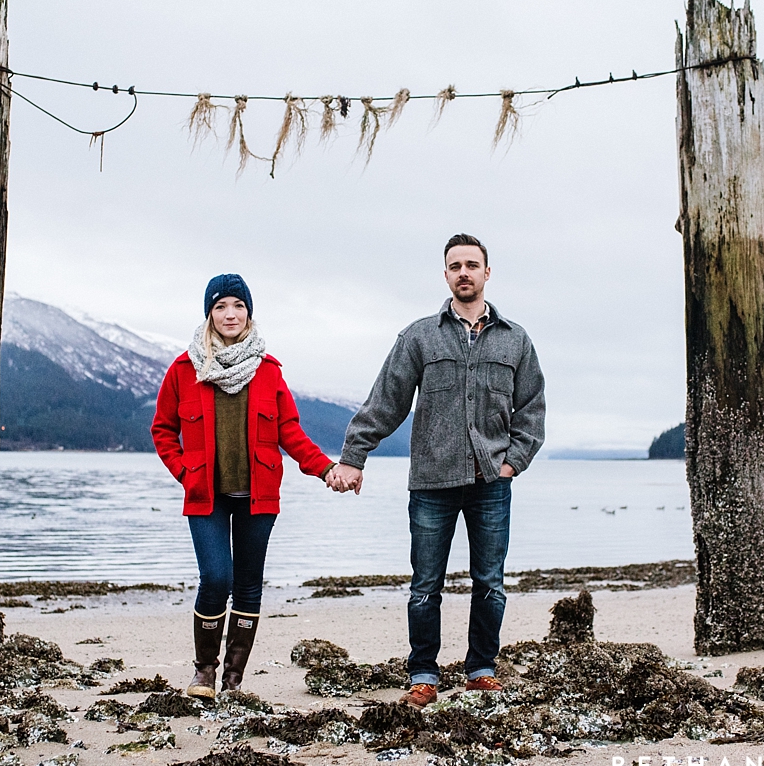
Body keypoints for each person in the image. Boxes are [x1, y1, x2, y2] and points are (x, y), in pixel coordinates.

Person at [327, 234, 545, 707]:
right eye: (455, 266)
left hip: (492, 481)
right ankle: (424, 673)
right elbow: (386, 402)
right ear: (445, 275)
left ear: (488, 273)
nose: (463, 272)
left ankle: (481, 668)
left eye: (472, 265)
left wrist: (513, 463)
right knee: (426, 585)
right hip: (431, 481)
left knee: (490, 582)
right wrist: (353, 456)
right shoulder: (419, 336)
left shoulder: (516, 340)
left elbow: (532, 410)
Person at [153, 273, 336, 698]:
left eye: (237, 306)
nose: (229, 314)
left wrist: (325, 468)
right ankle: (204, 672)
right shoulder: (184, 369)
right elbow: (162, 429)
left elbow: (291, 433)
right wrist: (185, 472)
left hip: (259, 496)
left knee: (249, 584)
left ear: (249, 312)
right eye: (220, 307)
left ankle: (233, 680)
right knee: (217, 578)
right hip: (206, 496)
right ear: (209, 315)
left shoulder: (269, 372)